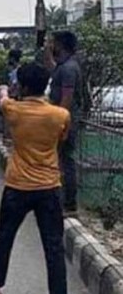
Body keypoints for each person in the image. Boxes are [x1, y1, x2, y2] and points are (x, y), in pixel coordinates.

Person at [0, 63, 72, 294]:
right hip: (49, 186)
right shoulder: (60, 115)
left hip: (18, 185)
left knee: (5, 237)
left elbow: (2, 100)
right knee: (53, 245)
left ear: (22, 86)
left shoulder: (13, 109)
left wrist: (3, 90)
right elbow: (61, 140)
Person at [47, 31, 83, 215]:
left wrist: (60, 123)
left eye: (53, 43)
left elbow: (67, 98)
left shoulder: (69, 68)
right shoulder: (63, 66)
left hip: (66, 121)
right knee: (59, 159)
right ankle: (61, 200)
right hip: (63, 119)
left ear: (60, 45)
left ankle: (69, 203)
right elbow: (52, 68)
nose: (51, 45)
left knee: (66, 161)